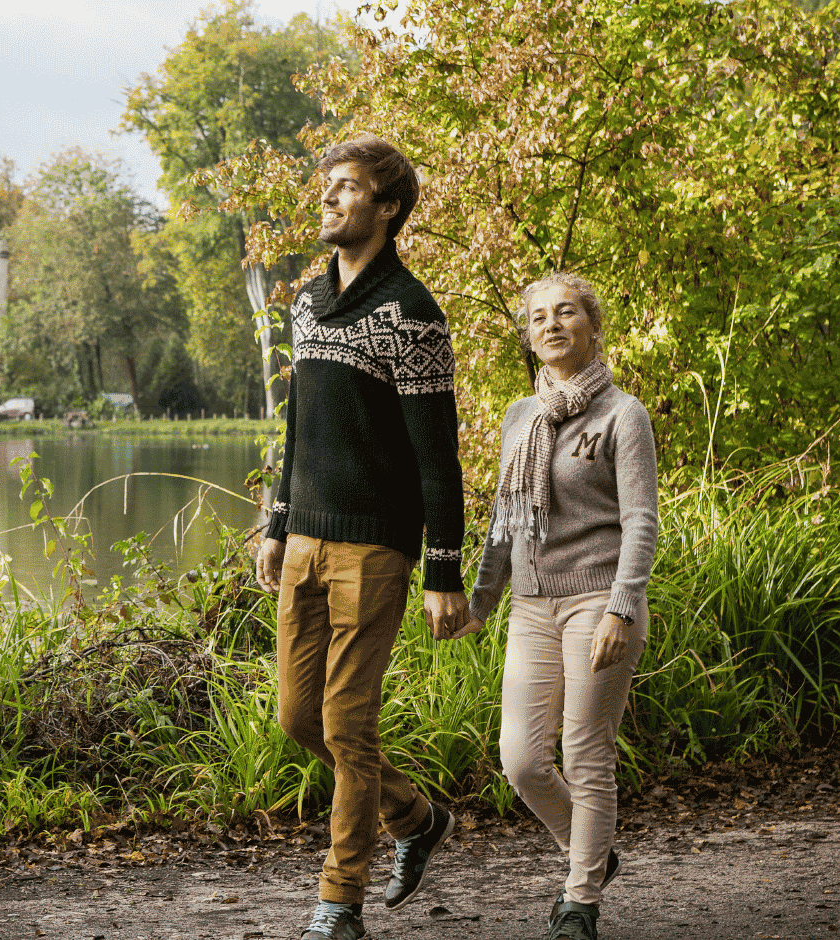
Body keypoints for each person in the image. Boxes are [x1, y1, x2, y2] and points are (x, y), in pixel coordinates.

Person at [256, 135, 469, 940]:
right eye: (327, 185)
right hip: (304, 542)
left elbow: (437, 457)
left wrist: (442, 571)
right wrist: (277, 523)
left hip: (375, 548)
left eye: (346, 187)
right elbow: (298, 426)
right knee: (297, 718)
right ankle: (415, 817)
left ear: (387, 207)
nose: (328, 197)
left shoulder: (412, 314)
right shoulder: (308, 302)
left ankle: (338, 903)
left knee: (347, 725)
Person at [455, 273, 658, 940]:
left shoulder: (622, 414)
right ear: (529, 334)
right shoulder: (521, 416)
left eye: (565, 312)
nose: (551, 324)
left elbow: (640, 521)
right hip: (531, 605)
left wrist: (621, 608)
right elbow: (503, 520)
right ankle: (591, 853)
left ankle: (579, 903)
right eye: (539, 316)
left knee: (585, 753)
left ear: (592, 327)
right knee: (519, 760)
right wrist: (481, 601)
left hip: (599, 600)